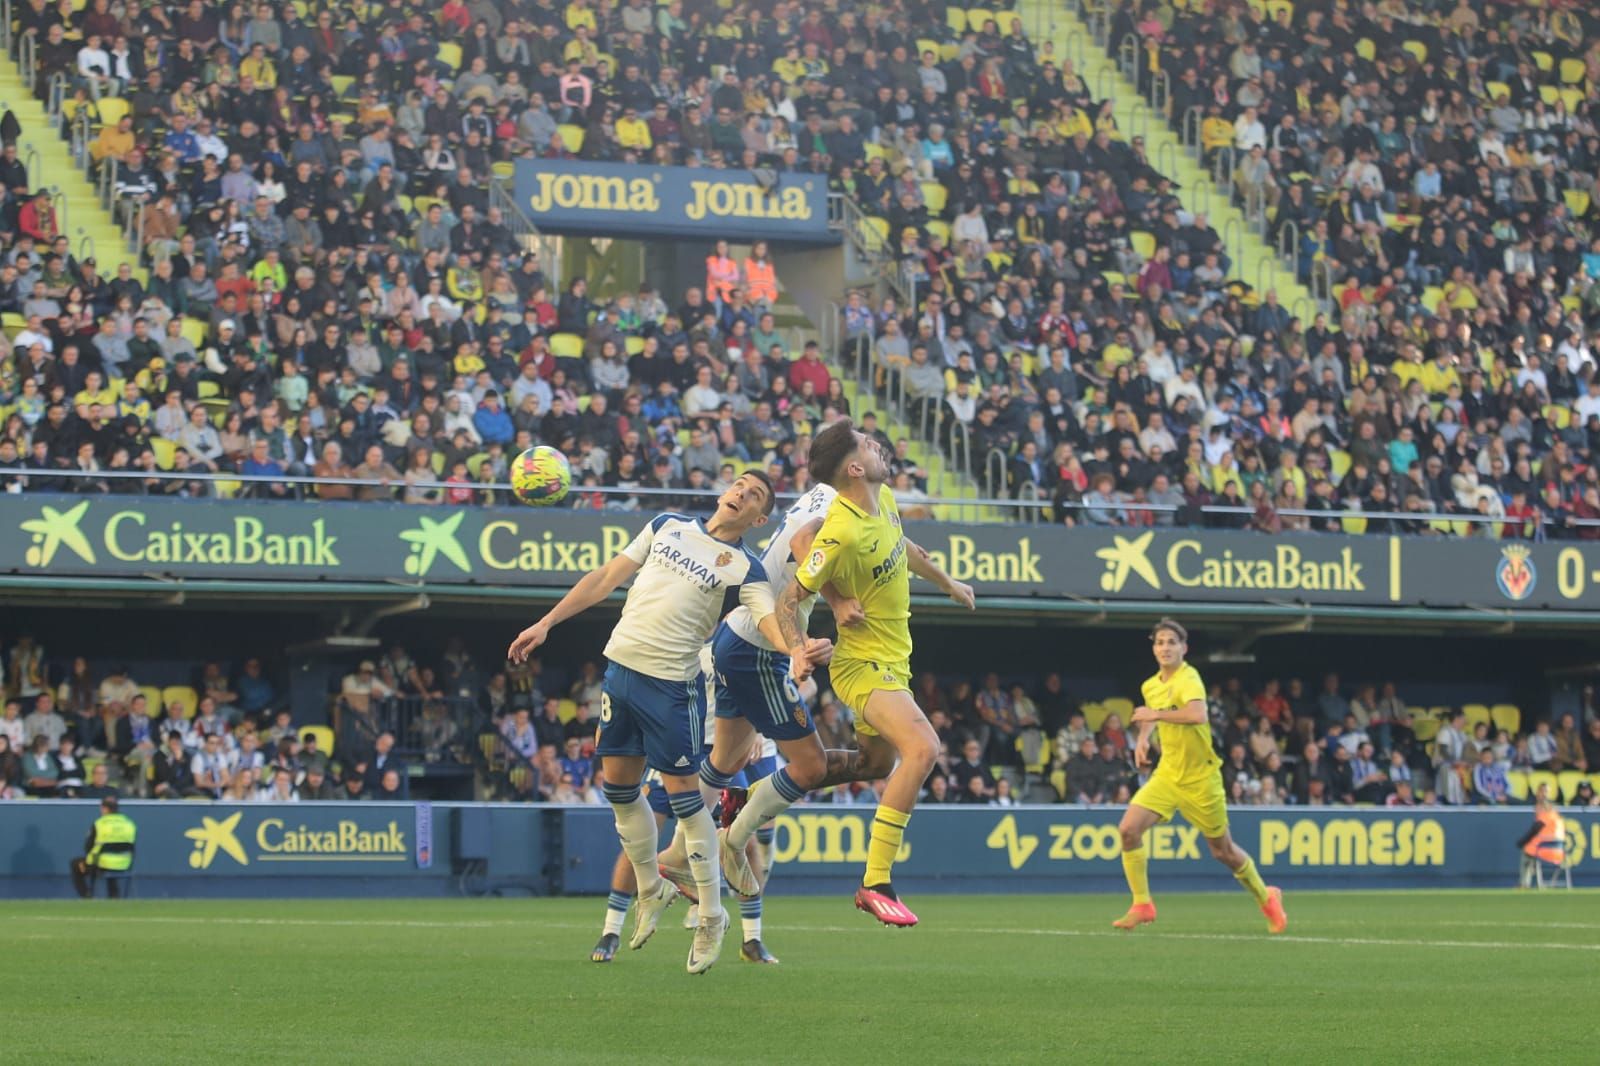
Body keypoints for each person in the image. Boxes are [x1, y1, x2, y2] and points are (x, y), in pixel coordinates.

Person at [508, 471, 780, 975]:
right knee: (618, 791)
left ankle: (712, 916)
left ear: (759, 518)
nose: (742, 491)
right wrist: (546, 623)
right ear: (725, 492)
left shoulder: (746, 567)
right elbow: (605, 578)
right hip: (620, 674)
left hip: (672, 688)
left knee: (684, 797)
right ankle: (650, 887)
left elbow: (766, 618)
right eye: (740, 484)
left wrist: (797, 648)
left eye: (755, 494)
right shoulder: (666, 524)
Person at [756, 418, 975, 927]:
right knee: (923, 748)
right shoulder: (842, 528)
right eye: (868, 445)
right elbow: (790, 594)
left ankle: (749, 794)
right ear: (855, 467)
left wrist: (949, 583)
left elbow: (907, 550)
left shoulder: (885, 502)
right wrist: (800, 647)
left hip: (894, 662)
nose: (879, 446)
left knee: (874, 765)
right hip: (861, 664)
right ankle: (875, 881)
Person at [1113, 619, 1287, 934]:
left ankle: (1267, 896)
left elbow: (1197, 715)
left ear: (1184, 648)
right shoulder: (1151, 685)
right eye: (1160, 642)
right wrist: (1142, 740)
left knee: (1223, 851)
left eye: (1171, 642)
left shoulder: (1189, 678)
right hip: (1167, 774)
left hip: (1201, 778)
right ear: (1154, 649)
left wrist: (1155, 715)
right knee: (1127, 830)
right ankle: (1142, 904)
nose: (1165, 648)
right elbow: (1153, 711)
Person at [71, 796, 137, 898]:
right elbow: (132, 846)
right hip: (125, 864)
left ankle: (87, 896)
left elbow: (88, 847)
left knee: (75, 864)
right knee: (111, 863)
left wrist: (90, 861)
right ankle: (114, 897)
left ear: (104, 808)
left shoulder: (99, 824)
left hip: (102, 866)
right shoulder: (129, 823)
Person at [1516, 784, 1566, 888]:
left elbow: (1534, 831)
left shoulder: (1545, 816)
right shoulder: (1557, 817)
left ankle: (1524, 884)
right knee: (1531, 850)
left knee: (1527, 851)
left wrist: (1521, 842)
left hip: (1547, 851)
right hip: (1560, 852)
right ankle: (1530, 875)